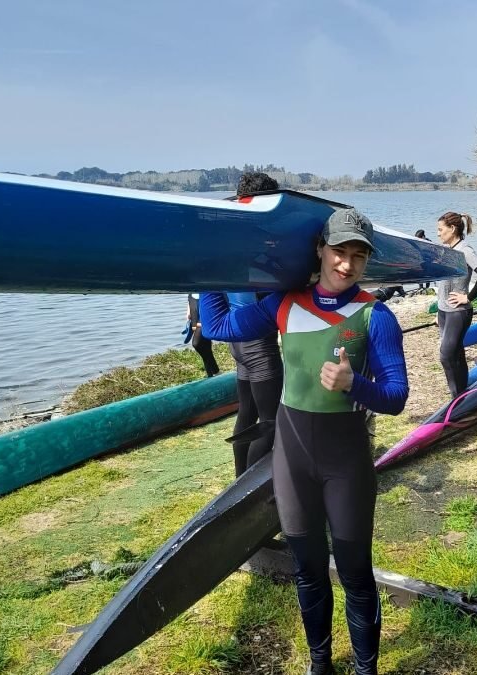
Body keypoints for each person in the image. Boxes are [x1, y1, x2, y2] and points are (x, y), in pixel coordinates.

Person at [200, 207, 409, 675]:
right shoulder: (285, 304)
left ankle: (365, 668)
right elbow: (219, 328)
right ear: (321, 250)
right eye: (339, 251)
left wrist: (354, 384)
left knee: (355, 574)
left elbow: (396, 397)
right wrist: (209, 268)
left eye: (358, 256)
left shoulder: (376, 316)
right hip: (292, 460)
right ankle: (320, 666)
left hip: (347, 464)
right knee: (308, 572)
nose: (346, 264)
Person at [225, 172, 285, 476]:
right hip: (259, 345)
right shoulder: (260, 242)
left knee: (247, 413)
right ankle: (249, 490)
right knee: (271, 422)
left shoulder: (229, 240)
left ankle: (238, 482)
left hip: (238, 341)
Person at [436, 211, 477, 397]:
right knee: (456, 354)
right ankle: (462, 393)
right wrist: (439, 309)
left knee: (446, 355)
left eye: (440, 229)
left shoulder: (465, 251)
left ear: (452, 229)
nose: (438, 233)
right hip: (444, 312)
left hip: (458, 313)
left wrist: (468, 297)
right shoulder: (447, 250)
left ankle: (457, 396)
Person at [185, 293, 221, 377]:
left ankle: (216, 371)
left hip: (206, 301)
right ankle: (210, 375)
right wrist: (189, 308)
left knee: (197, 344)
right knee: (205, 345)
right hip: (193, 301)